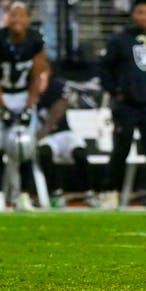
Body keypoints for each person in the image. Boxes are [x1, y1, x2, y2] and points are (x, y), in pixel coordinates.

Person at [99, 0, 146, 210]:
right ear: (133, 14)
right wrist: (115, 92)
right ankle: (111, 192)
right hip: (126, 105)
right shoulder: (119, 41)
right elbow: (104, 68)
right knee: (120, 150)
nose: (143, 17)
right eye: (140, 12)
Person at [0, 2, 47, 212]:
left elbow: (37, 76)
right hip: (2, 95)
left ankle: (24, 196)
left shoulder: (35, 41)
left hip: (23, 96)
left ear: (28, 19)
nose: (17, 20)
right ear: (7, 17)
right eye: (13, 15)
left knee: (26, 147)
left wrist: (29, 107)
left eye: (21, 15)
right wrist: (2, 106)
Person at [35, 73, 97, 208]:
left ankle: (89, 193)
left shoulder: (55, 86)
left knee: (80, 153)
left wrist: (45, 128)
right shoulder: (27, 93)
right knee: (44, 153)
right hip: (46, 139)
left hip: (63, 133)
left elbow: (61, 104)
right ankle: (55, 192)